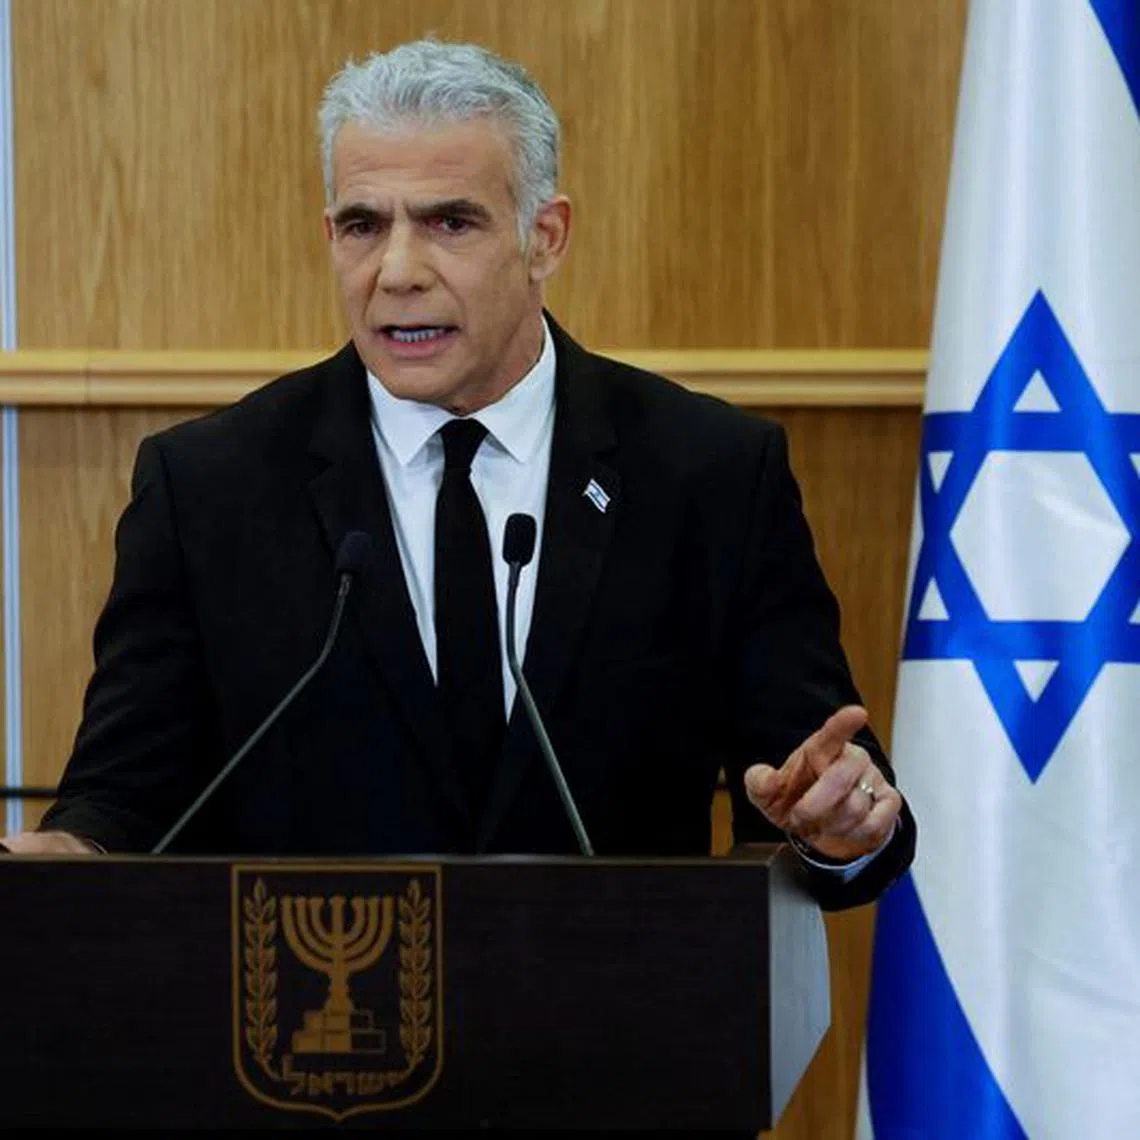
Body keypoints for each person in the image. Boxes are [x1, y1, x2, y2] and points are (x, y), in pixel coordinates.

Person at [0, 39, 913, 909]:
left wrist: (839, 825)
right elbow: (124, 798)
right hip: (314, 1039)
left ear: (545, 237)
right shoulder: (209, 488)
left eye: (449, 221)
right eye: (364, 226)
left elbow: (822, 780)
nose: (397, 271)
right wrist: (64, 856)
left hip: (617, 1042)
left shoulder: (707, 473)